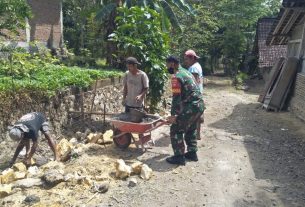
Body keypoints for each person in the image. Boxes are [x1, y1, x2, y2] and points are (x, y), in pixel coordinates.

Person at [165, 56, 205, 165]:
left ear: (172, 64)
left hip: (191, 106)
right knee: (191, 128)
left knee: (175, 129)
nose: (167, 67)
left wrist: (174, 116)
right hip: (199, 105)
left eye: (167, 65)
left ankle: (179, 157)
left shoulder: (176, 76)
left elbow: (176, 98)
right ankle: (192, 153)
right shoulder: (187, 72)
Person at [184, 49, 204, 140]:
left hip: (194, 94)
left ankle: (193, 134)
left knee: (193, 115)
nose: (185, 62)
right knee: (197, 114)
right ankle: (197, 134)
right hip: (199, 93)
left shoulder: (193, 68)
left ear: (192, 58)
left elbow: (193, 83)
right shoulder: (197, 66)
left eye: (186, 59)